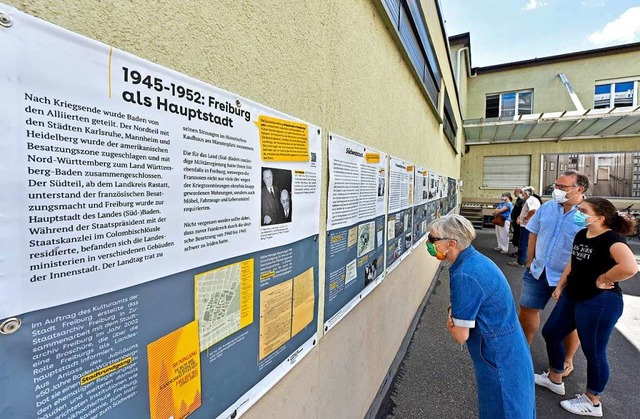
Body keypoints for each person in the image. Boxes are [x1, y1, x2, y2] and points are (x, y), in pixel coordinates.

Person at [534, 197, 637, 417]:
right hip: (574, 294)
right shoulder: (582, 234)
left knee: (594, 352)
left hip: (599, 301)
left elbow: (630, 267)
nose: (578, 213)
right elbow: (573, 262)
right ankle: (555, 377)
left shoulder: (612, 239)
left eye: (583, 210)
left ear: (600, 217)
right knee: (551, 332)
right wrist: (561, 285)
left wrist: (604, 278)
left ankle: (593, 401)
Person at [426, 215, 535, 418]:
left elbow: (460, 335)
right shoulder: (475, 260)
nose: (429, 244)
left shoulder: (465, 274)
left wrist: (452, 319)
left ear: (451, 243)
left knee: (503, 409)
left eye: (433, 240)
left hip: (497, 355)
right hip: (510, 348)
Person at [519, 169, 590, 377]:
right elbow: (533, 232)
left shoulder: (586, 214)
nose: (556, 190)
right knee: (528, 309)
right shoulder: (547, 207)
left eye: (562, 187)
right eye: (556, 186)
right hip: (538, 271)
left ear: (579, 189)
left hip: (569, 277)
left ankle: (566, 360)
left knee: (569, 320)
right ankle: (523, 351)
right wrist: (529, 260)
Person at [508, 186, 541, 268]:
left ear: (526, 194)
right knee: (526, 242)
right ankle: (524, 259)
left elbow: (533, 211)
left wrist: (525, 218)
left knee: (523, 242)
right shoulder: (533, 199)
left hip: (527, 225)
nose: (521, 195)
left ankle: (521, 261)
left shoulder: (530, 200)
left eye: (522, 193)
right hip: (528, 225)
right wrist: (520, 217)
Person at [510, 187, 525, 254]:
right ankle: (518, 252)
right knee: (516, 236)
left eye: (515, 191)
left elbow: (522, 211)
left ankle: (520, 253)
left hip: (519, 222)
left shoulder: (522, 200)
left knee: (519, 237)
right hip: (516, 222)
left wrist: (518, 218)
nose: (514, 193)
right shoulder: (519, 200)